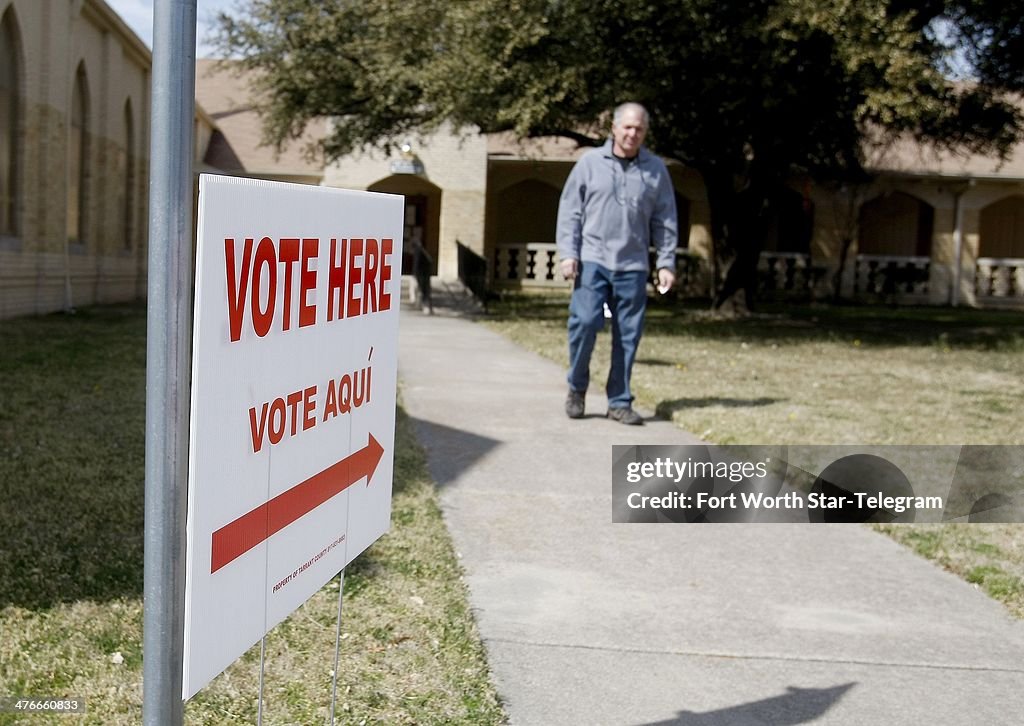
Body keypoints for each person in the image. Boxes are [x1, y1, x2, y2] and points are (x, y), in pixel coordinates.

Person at [556, 102, 678, 425]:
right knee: (584, 323)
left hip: (633, 265)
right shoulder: (589, 164)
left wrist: (665, 262)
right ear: (614, 128)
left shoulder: (655, 170)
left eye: (639, 129)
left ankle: (619, 401)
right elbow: (571, 211)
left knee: (628, 334)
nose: (632, 133)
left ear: (645, 132)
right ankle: (576, 388)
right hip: (593, 260)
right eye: (627, 127)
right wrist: (569, 253)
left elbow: (665, 219)